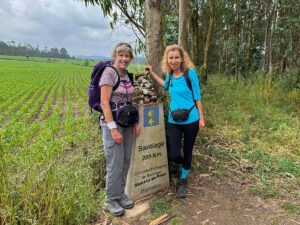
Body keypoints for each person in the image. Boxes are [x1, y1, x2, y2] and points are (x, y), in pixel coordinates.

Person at [146, 44, 205, 198]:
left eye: (176, 57)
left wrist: (202, 118)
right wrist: (152, 72)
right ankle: (184, 166)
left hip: (191, 119)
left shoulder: (190, 74)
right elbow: (164, 85)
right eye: (170, 58)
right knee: (174, 153)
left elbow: (197, 96)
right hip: (174, 120)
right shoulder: (170, 76)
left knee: (187, 149)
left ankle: (184, 178)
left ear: (181, 58)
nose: (173, 60)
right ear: (167, 59)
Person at [99, 42, 141, 216]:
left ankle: (120, 195)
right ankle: (110, 200)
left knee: (125, 162)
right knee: (114, 164)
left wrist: (135, 122)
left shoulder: (126, 75)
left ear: (130, 58)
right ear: (115, 55)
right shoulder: (109, 73)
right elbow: (104, 103)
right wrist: (113, 129)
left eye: (127, 56)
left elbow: (130, 102)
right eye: (120, 55)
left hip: (127, 125)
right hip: (112, 126)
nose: (124, 59)